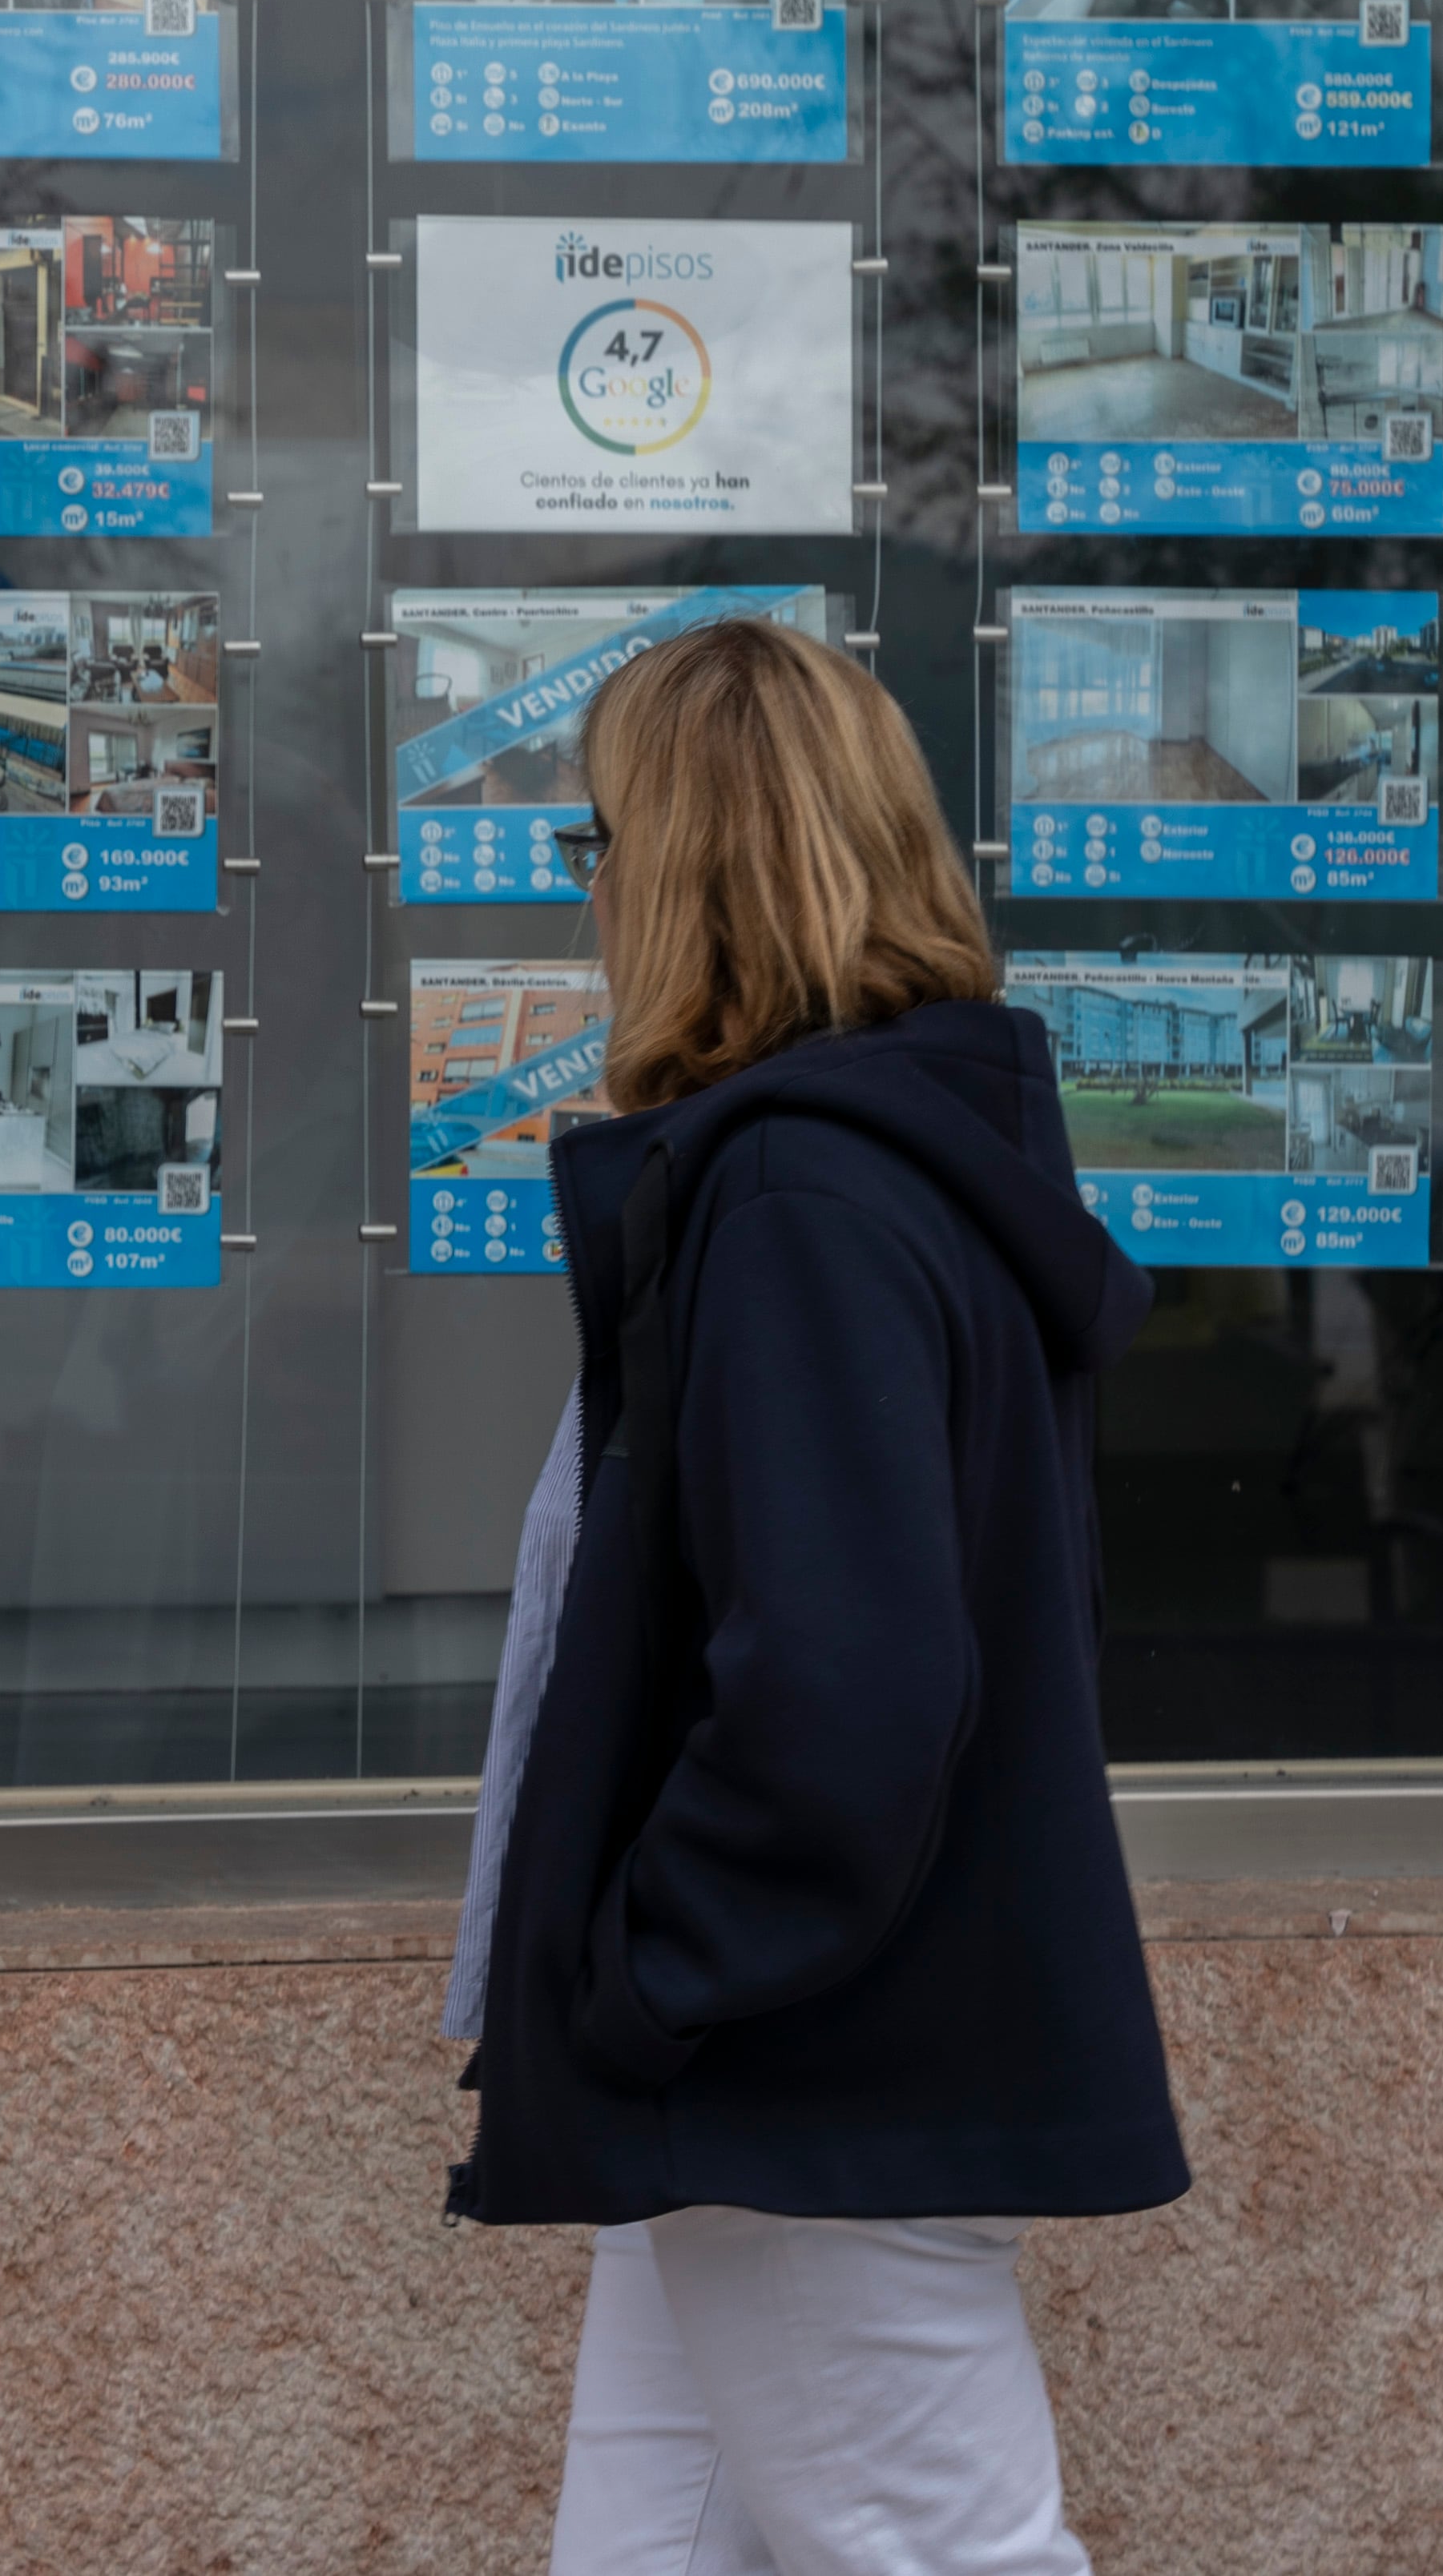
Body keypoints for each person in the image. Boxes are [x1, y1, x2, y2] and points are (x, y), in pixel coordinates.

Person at [443, 618, 1187, 2574]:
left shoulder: (801, 1200)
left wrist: (642, 1977)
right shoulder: (882, 1173)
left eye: (592, 841)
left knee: (939, 2550)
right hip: (794, 2068)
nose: (580, 891)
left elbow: (845, 1692)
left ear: (688, 865)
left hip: (803, 2066)